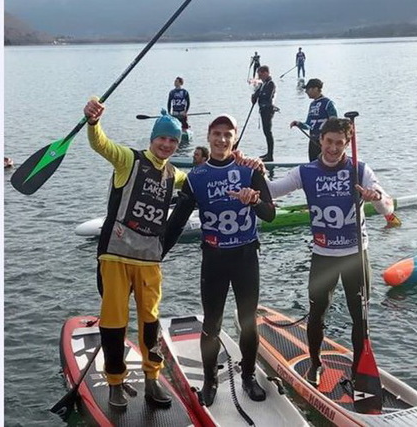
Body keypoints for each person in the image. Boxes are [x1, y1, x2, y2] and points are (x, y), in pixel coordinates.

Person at [260, 117, 399, 387]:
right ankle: (315, 364)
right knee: (317, 314)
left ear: (347, 143)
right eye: (329, 142)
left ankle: (359, 370)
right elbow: (272, 191)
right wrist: (254, 169)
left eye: (339, 143)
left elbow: (388, 208)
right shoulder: (306, 171)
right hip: (324, 255)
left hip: (355, 256)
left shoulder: (360, 169)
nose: (333, 148)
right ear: (320, 140)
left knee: (360, 317)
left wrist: (376, 197)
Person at [163, 114, 276, 407]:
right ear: (209, 136)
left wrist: (254, 200)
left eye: (228, 134)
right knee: (211, 323)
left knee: (248, 322)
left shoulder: (250, 171)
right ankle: (210, 381)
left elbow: (270, 214)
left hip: (245, 257)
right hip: (214, 259)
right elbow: (177, 222)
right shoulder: (196, 177)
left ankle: (248, 376)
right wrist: (155, 255)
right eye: (217, 134)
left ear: (234, 139)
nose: (222, 139)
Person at [83, 98, 188, 409]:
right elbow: (101, 144)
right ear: (152, 138)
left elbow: (199, 181)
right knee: (114, 323)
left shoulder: (174, 175)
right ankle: (115, 382)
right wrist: (93, 122)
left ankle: (152, 379)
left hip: (149, 260)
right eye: (162, 138)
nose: (166, 144)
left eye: (173, 140)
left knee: (150, 322)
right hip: (116, 255)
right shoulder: (129, 160)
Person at [290, 78, 338, 161]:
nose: (306, 92)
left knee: (325, 164)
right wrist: (298, 124)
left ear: (315, 89)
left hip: (324, 142)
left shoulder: (328, 103)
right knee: (312, 163)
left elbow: (334, 123)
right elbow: (308, 125)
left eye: (308, 89)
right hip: (313, 141)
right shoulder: (312, 104)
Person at [251, 65, 276, 162]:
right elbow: (257, 94)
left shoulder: (271, 84)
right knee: (266, 132)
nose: (259, 76)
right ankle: (268, 153)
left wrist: (259, 95)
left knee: (268, 132)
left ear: (266, 73)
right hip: (263, 110)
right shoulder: (263, 84)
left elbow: (267, 96)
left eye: (260, 74)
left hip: (268, 110)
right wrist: (254, 96)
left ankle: (270, 155)